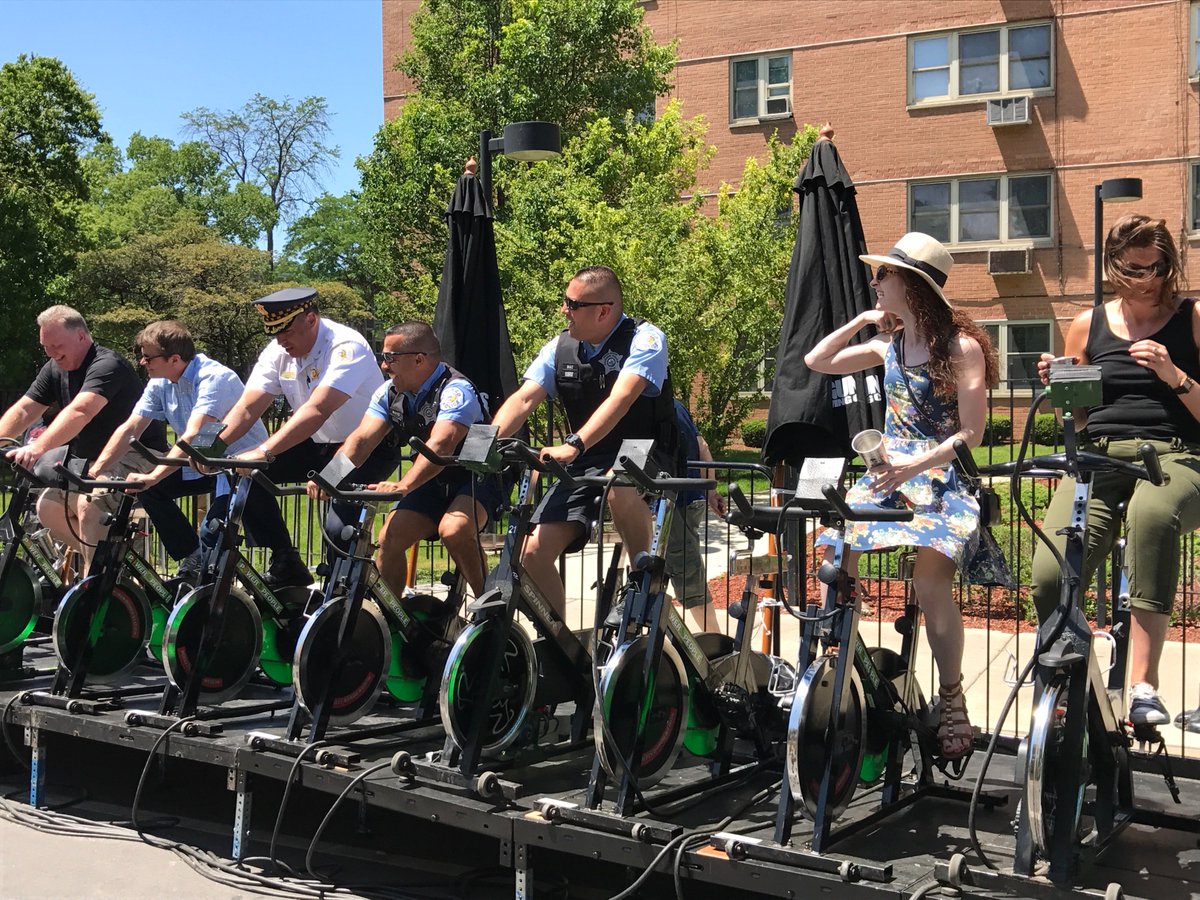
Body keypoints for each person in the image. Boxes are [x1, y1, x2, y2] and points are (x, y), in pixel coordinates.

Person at [804, 232, 997, 760]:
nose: (875, 282)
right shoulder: (886, 345)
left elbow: (972, 434)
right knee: (834, 553)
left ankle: (952, 697)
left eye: (883, 275)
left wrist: (918, 460)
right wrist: (863, 321)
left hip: (942, 478)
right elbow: (816, 360)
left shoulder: (962, 348)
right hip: (889, 476)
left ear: (912, 285)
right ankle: (842, 664)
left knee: (929, 581)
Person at [1030, 213, 1200, 727]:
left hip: (1175, 453)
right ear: (1112, 268)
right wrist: (1064, 384)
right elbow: (1078, 418)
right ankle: (1072, 686)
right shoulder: (1087, 324)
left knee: (1151, 517)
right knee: (1051, 568)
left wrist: (1175, 375)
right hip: (1098, 456)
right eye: (1135, 270)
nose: (1149, 280)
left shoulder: (1192, 318)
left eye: (1157, 268)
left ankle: (1144, 684)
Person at [491, 265, 679, 618]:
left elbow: (620, 399)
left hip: (643, 447)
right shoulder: (560, 347)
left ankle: (642, 584)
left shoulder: (646, 339)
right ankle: (561, 648)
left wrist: (574, 444)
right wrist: (484, 441)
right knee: (532, 555)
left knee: (621, 484)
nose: (564, 310)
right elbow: (523, 399)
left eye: (572, 304)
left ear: (603, 310)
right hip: (588, 454)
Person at [216, 287, 399, 588]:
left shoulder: (345, 345)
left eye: (286, 331)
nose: (280, 340)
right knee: (248, 477)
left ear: (311, 319)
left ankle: (341, 593)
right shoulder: (279, 351)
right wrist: (208, 445)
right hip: (317, 445)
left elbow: (319, 408)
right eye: (274, 333)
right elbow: (247, 407)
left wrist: (263, 450)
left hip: (363, 449)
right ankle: (286, 561)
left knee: (337, 524)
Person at [306, 321, 501, 598]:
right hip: (430, 482)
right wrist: (330, 477)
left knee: (454, 530)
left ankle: (490, 610)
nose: (384, 366)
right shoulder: (389, 393)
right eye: (382, 357)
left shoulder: (456, 391)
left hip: (473, 479)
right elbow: (362, 440)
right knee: (389, 539)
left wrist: (403, 485)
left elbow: (441, 444)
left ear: (419, 359)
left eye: (390, 358)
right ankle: (391, 620)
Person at [89, 320, 268, 579]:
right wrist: (95, 473)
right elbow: (130, 429)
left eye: (148, 357)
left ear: (174, 359)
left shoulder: (214, 377)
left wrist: (153, 475)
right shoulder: (160, 382)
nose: (142, 362)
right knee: (149, 490)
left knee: (212, 531)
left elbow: (193, 434)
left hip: (239, 466)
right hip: (200, 462)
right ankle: (192, 557)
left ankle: (247, 577)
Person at [0, 305, 167, 570]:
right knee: (48, 506)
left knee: (90, 505)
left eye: (56, 345)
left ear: (80, 336)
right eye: (46, 347)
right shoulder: (54, 368)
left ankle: (97, 588)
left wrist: (37, 448)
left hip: (139, 454)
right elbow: (25, 409)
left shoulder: (107, 364)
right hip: (92, 462)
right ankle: (113, 568)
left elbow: (82, 410)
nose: (52, 354)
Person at [665, 401, 725, 634]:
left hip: (675, 501)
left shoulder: (647, 405)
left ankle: (717, 644)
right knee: (668, 569)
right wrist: (710, 491)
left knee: (687, 573)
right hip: (692, 496)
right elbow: (703, 446)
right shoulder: (677, 406)